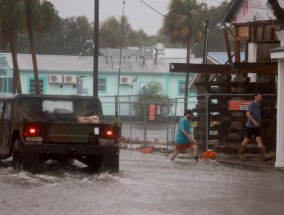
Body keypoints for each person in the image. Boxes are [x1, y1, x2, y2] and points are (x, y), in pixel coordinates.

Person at [237, 93, 273, 162]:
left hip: (257, 126)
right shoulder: (252, 104)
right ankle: (239, 154)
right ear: (255, 97)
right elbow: (247, 114)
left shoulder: (258, 105)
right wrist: (254, 121)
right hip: (250, 125)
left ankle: (264, 156)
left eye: (261, 96)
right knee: (246, 139)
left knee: (259, 139)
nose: (260, 98)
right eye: (259, 96)